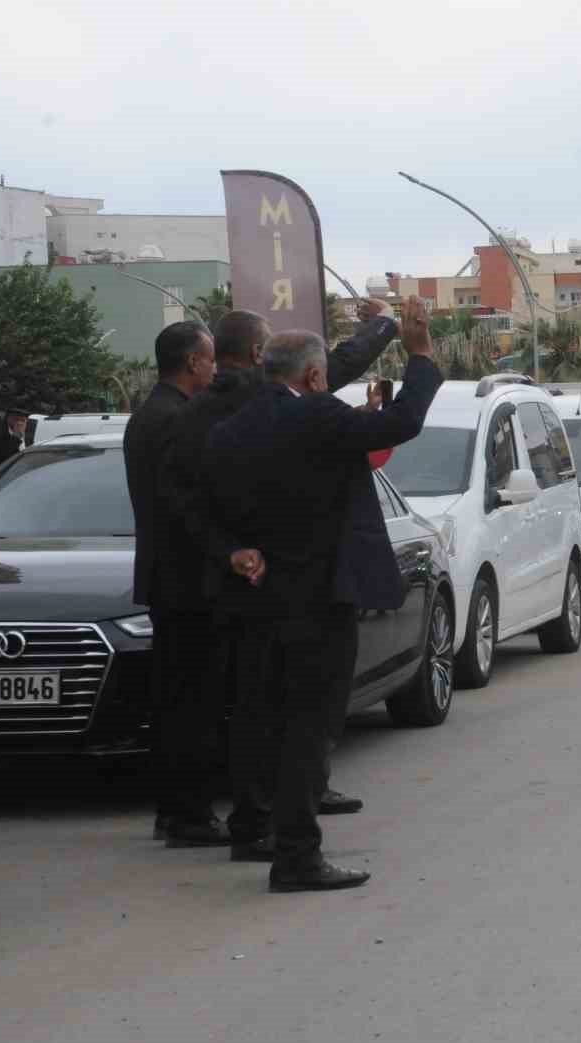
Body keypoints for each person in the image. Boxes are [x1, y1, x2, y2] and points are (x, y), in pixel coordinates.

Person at [204, 302, 440, 892]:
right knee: (311, 725)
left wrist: (234, 548)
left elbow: (207, 501)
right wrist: (420, 355)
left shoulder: (234, 427)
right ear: (313, 377)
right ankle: (297, 856)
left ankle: (255, 829)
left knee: (267, 720)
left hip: (257, 596)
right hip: (319, 597)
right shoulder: (318, 416)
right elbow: (403, 423)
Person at [159, 299, 400, 861]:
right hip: (281, 585)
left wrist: (227, 551)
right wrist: (384, 328)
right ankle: (281, 826)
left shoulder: (193, 412)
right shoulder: (269, 404)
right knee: (299, 714)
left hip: (228, 580)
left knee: (248, 708)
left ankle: (250, 817)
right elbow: (338, 370)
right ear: (260, 355)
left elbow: (184, 500)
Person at [122, 321, 230, 846]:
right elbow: (184, 504)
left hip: (169, 577)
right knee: (193, 701)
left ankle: (176, 809)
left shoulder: (149, 414)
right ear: (193, 363)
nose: (214, 368)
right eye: (211, 360)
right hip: (189, 580)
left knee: (177, 698)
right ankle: (189, 813)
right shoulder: (175, 419)